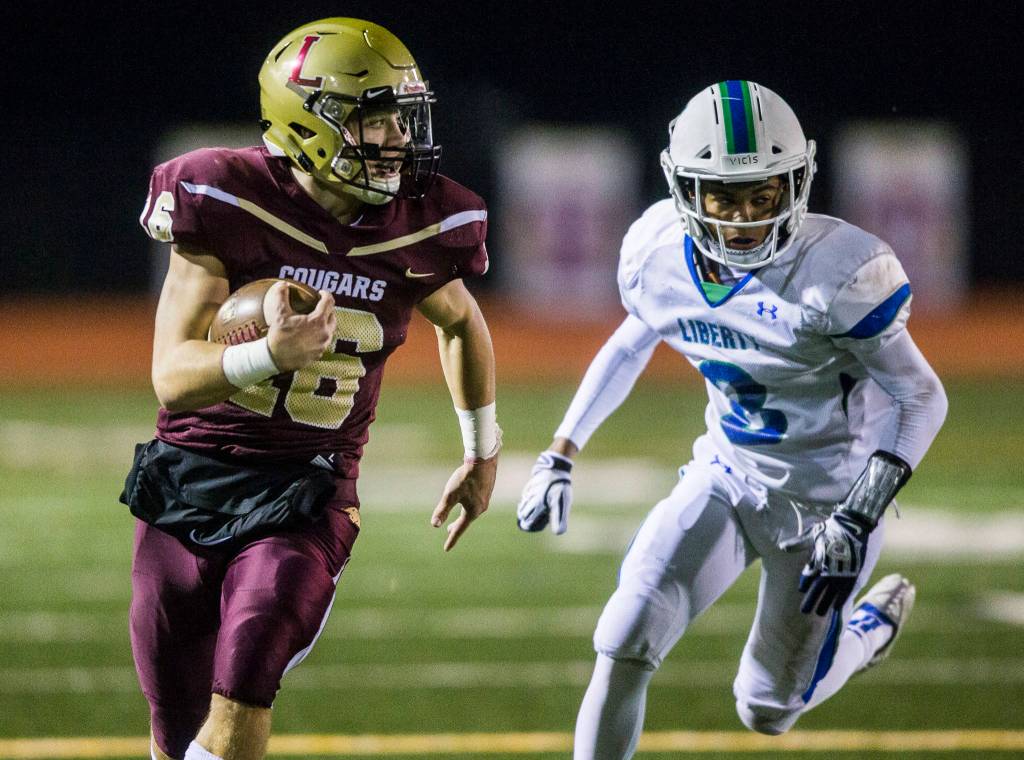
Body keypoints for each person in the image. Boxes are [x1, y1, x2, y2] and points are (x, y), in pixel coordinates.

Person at [517, 80, 947, 759]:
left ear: (795, 184)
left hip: (826, 509)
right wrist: (560, 452)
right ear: (686, 188)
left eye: (762, 195)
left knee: (766, 709)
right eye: (722, 196)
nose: (743, 217)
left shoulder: (837, 271)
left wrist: (858, 516)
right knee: (626, 631)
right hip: (727, 476)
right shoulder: (658, 253)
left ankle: (865, 634)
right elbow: (634, 338)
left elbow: (923, 397)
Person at [128, 18, 499, 760]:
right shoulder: (222, 194)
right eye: (375, 117)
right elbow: (172, 378)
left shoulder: (422, 222)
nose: (398, 138)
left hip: (309, 491)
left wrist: (481, 449)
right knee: (175, 728)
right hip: (191, 476)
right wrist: (269, 353)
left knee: (245, 683)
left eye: (404, 117)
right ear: (308, 122)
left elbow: (460, 323)